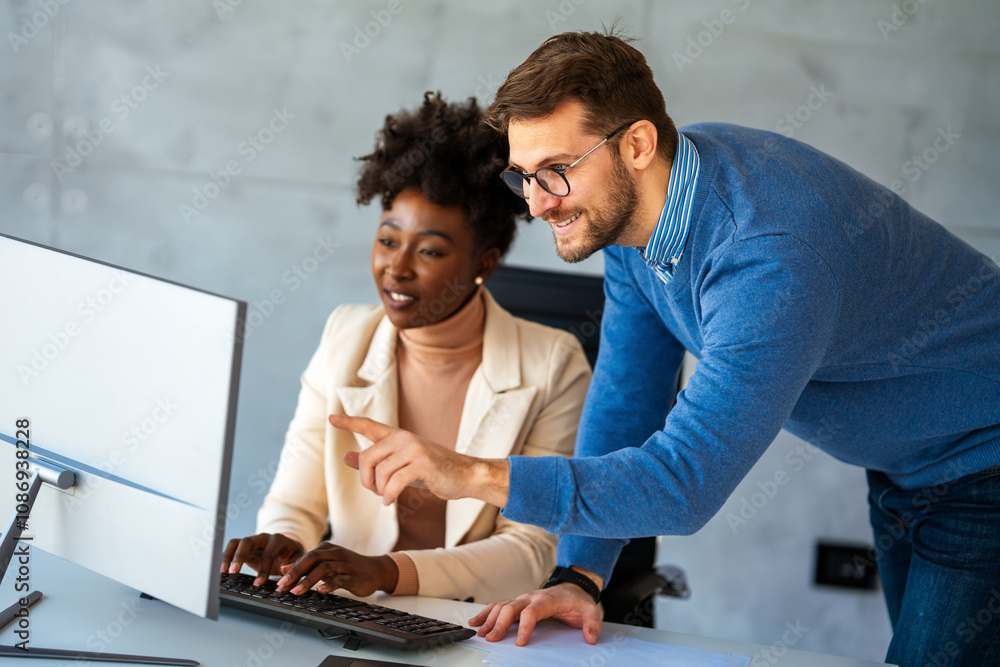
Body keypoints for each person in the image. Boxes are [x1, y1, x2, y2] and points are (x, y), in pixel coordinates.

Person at [331, 31, 1000, 665]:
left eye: (555, 171)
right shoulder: (637, 218)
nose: (536, 205)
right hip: (905, 468)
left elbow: (684, 484)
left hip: (982, 460)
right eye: (523, 176)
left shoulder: (769, 259)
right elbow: (628, 398)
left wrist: (470, 474)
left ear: (638, 145)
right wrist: (580, 574)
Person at [220, 92, 591, 604]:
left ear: (483, 262)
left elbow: (530, 551)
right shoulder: (345, 336)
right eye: (389, 240)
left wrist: (389, 573)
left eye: (431, 251)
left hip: (474, 627)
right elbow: (296, 499)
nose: (397, 268)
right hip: (349, 610)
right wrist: (281, 541)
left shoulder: (554, 363)